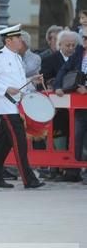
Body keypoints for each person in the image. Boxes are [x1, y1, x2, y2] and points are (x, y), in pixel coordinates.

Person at [0, 24, 45, 189]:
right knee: (19, 142)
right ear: (8, 40)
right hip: (6, 106)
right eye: (18, 38)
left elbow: (19, 83)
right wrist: (5, 89)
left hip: (16, 106)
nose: (21, 41)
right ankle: (28, 179)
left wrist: (32, 80)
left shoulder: (16, 57)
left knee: (3, 144)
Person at [54, 33, 87, 183]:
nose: (84, 41)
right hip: (80, 106)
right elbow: (64, 69)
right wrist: (58, 86)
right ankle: (73, 172)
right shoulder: (79, 52)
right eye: (84, 38)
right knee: (76, 137)